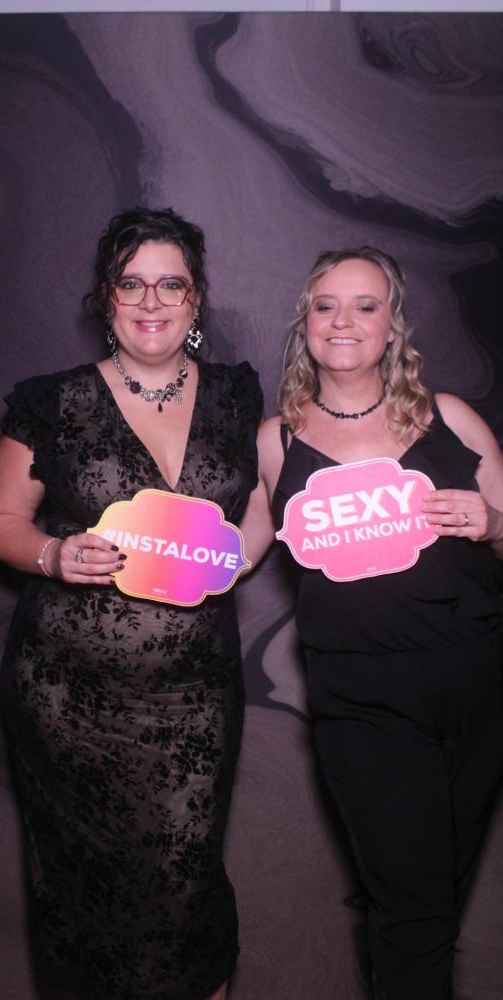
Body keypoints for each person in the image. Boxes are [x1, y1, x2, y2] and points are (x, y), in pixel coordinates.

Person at [0, 207, 262, 1000]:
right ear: (106, 297)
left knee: (184, 883)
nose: (150, 301)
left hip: (194, 697)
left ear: (195, 298)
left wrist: (237, 558)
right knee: (82, 893)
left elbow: (265, 501)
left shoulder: (236, 396)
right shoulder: (55, 401)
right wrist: (52, 554)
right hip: (68, 696)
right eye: (131, 283)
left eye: (170, 284)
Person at [242, 246, 503, 999]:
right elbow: (233, 553)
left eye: (365, 305)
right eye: (325, 305)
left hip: (476, 679)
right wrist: (134, 551)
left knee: (436, 899)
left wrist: (490, 522)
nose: (343, 321)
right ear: (306, 324)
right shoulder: (275, 440)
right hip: (362, 699)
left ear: (393, 326)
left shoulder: (449, 417)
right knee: (411, 905)